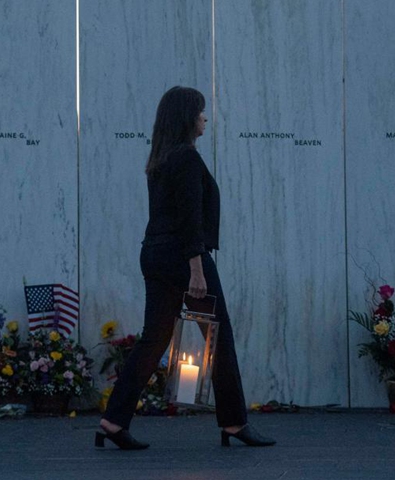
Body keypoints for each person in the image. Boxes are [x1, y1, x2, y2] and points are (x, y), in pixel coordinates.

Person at [96, 86, 275, 450]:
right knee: (218, 337)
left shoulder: (160, 160)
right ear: (186, 119)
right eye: (200, 113)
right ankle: (234, 423)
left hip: (155, 254)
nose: (205, 118)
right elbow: (190, 219)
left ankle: (113, 421)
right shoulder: (188, 160)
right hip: (183, 257)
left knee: (154, 339)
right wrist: (196, 269)